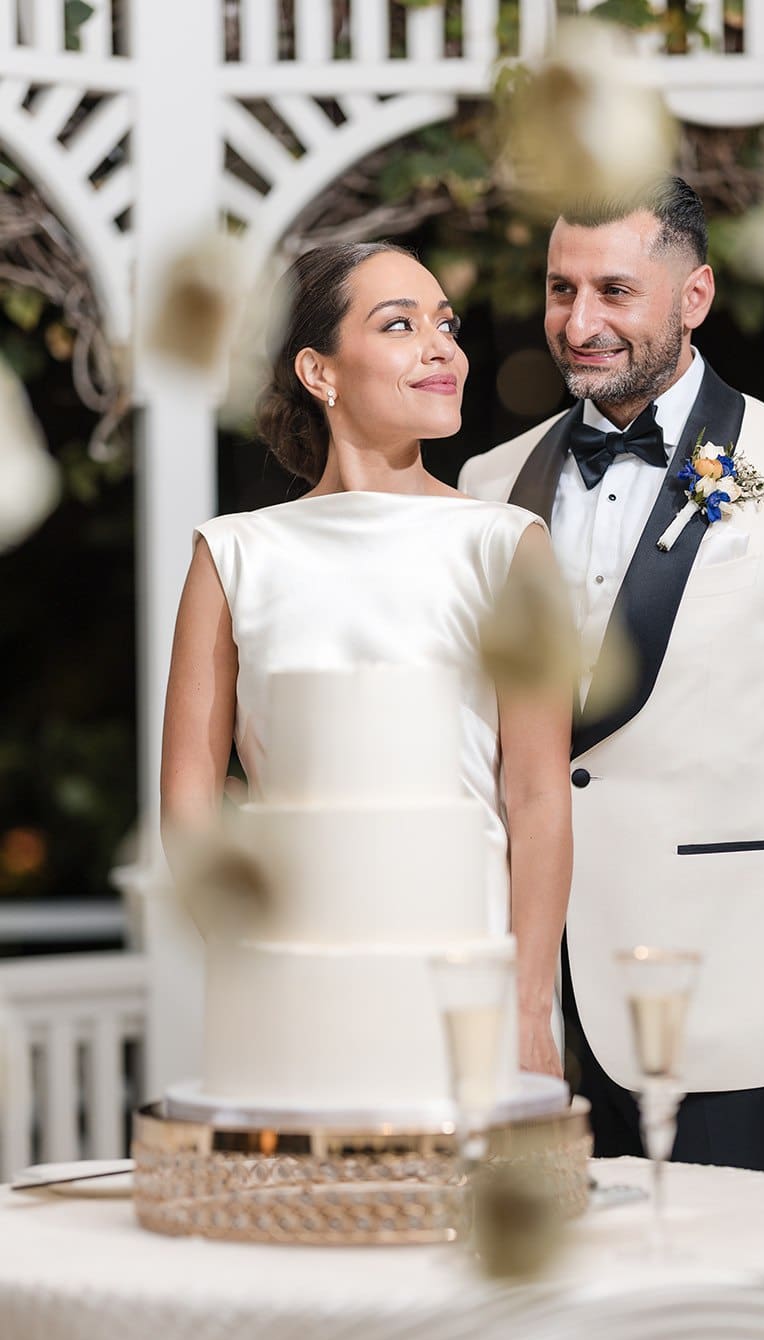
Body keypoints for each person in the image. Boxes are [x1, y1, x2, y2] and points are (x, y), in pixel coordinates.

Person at [459, 176, 764, 1177]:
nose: (579, 322)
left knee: (735, 1321)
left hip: (738, 1005)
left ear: (694, 297)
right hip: (529, 1020)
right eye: (560, 291)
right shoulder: (483, 486)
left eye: (613, 290)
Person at [161, 241, 571, 1079]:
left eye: (445, 326)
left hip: (469, 980)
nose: (441, 349)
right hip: (290, 983)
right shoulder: (233, 554)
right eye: (400, 325)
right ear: (320, 371)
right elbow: (189, 797)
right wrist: (248, 956)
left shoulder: (506, 546)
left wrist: (528, 1005)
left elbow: (535, 794)